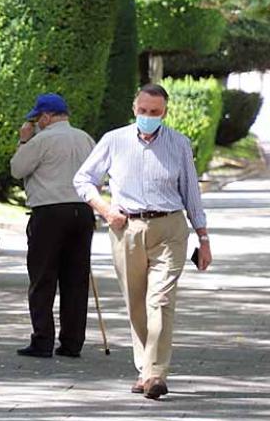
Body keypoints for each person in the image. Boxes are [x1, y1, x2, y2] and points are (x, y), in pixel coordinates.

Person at [73, 84, 211, 400]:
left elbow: (191, 193)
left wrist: (203, 237)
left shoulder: (178, 144)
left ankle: (155, 374)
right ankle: (144, 369)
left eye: (156, 112)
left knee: (160, 301)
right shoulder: (114, 141)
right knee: (137, 303)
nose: (149, 117)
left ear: (165, 113)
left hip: (170, 228)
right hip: (127, 229)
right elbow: (83, 179)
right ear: (134, 109)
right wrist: (106, 210)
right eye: (144, 111)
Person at [10, 93, 97, 359]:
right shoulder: (85, 139)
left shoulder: (41, 140)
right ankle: (72, 342)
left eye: (36, 119)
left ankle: (42, 339)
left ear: (46, 117)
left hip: (49, 212)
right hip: (82, 211)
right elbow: (99, 175)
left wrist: (24, 140)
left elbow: (17, 169)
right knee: (76, 279)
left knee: (43, 277)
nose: (34, 124)